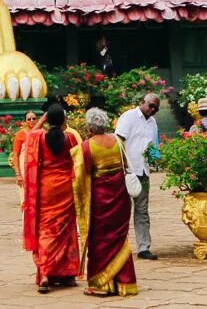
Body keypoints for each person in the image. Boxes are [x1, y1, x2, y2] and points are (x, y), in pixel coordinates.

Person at [72, 108, 138, 298]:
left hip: (99, 201)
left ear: (89, 127)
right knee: (119, 239)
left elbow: (79, 178)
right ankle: (124, 283)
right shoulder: (117, 141)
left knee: (100, 241)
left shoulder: (85, 147)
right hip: (120, 198)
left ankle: (101, 284)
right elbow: (125, 166)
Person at [18, 103, 82, 293]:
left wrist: (43, 120)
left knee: (46, 230)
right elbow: (78, 161)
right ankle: (68, 275)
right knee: (67, 231)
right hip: (65, 189)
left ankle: (46, 273)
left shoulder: (39, 137)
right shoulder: (69, 138)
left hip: (46, 189)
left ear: (48, 119)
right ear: (63, 120)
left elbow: (27, 138)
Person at [114, 92, 160, 261]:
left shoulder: (153, 122)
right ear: (143, 102)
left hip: (143, 171)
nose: (153, 109)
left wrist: (157, 159)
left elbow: (153, 146)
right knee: (122, 209)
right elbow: (118, 140)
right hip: (126, 170)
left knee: (142, 211)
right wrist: (123, 164)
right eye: (151, 105)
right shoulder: (129, 117)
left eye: (156, 108)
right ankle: (119, 246)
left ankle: (143, 247)